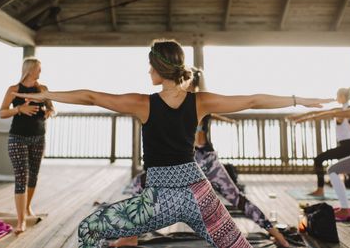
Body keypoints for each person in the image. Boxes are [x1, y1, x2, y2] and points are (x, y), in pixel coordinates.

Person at [14, 39, 332, 248]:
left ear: (158, 67)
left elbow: (91, 97)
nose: (148, 69)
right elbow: (251, 99)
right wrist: (297, 99)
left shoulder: (143, 103)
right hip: (199, 193)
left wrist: (44, 95)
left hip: (159, 199)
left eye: (150, 64)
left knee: (89, 229)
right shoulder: (200, 101)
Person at [113, 67, 290, 247]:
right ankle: (130, 236)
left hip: (199, 160)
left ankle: (278, 236)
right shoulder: (188, 103)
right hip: (195, 161)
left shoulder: (197, 102)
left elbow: (245, 102)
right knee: (138, 186)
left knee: (236, 197)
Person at [0, 57, 55, 234]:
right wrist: (19, 109)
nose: (40, 72)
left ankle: (27, 207)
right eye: (39, 68)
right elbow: (2, 112)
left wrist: (48, 113)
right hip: (18, 138)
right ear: (30, 70)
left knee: (33, 176)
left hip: (39, 138)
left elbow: (53, 108)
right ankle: (21, 221)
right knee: (21, 177)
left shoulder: (43, 89)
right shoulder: (14, 90)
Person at [290, 95, 350, 219]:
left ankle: (345, 209)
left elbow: (332, 113)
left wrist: (305, 119)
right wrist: (304, 117)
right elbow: (330, 112)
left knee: (332, 170)